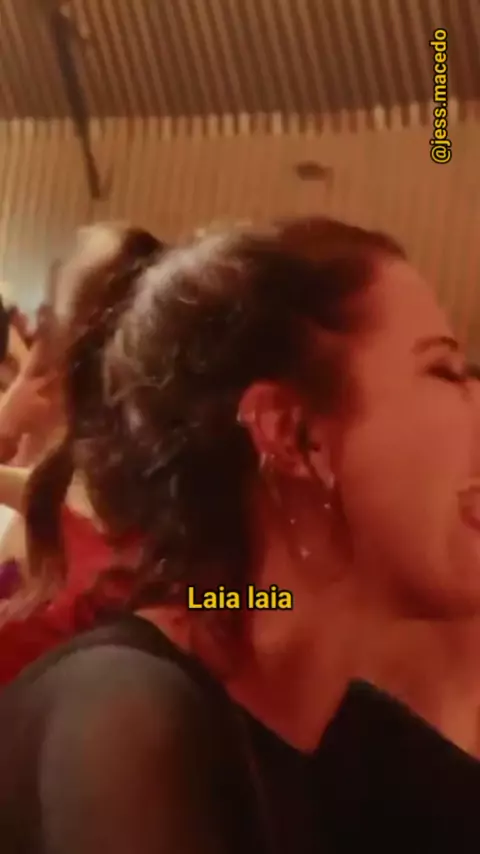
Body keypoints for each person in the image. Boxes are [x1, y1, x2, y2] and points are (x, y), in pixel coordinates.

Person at [2, 217, 480, 853]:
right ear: (291, 434)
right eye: (446, 370)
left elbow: (248, 603)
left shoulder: (366, 749)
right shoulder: (124, 716)